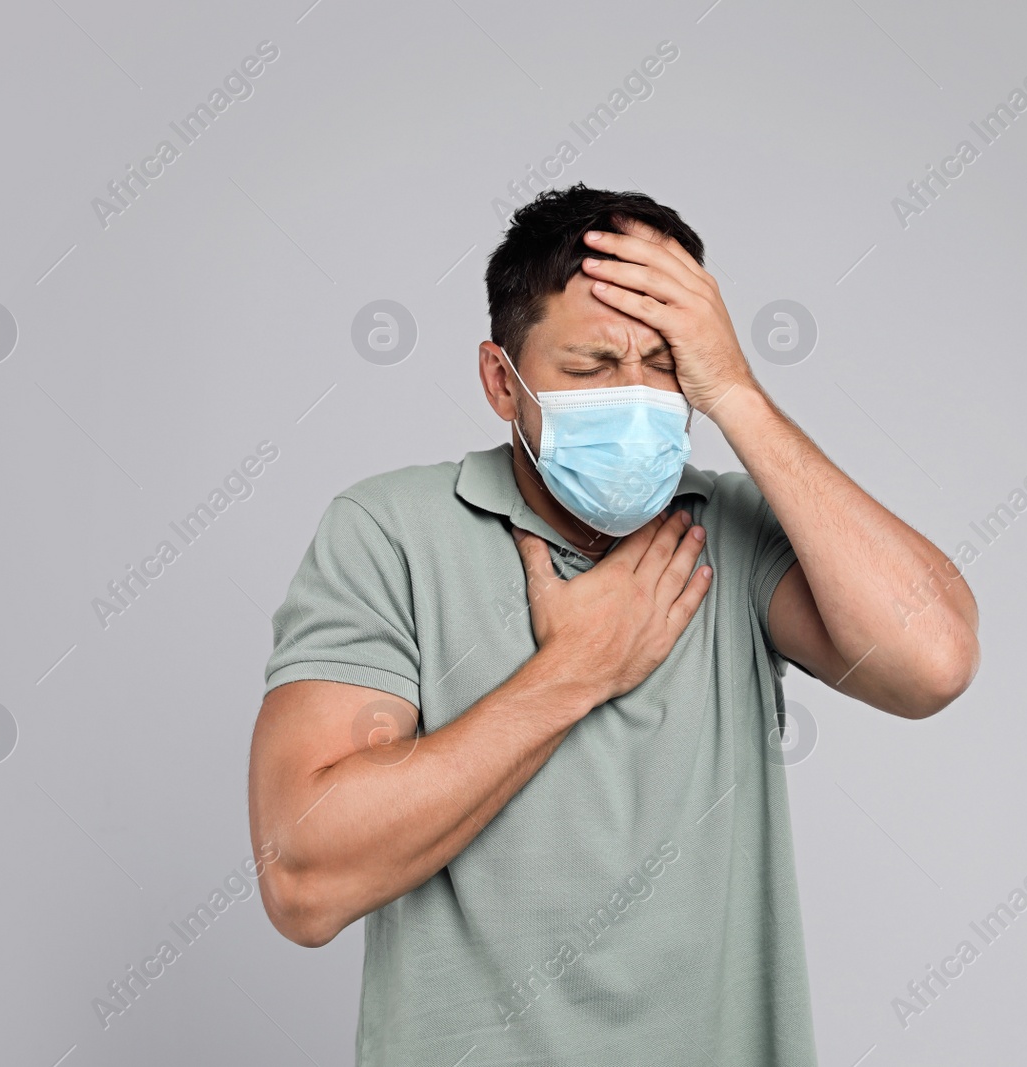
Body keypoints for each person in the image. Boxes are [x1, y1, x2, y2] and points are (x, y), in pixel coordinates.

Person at [246, 183, 980, 1066]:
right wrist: (576, 670)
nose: (634, 397)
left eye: (667, 366)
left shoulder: (735, 530)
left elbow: (934, 658)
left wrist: (737, 392)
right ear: (499, 380)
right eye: (591, 370)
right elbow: (302, 878)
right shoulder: (391, 533)